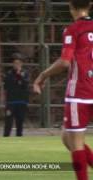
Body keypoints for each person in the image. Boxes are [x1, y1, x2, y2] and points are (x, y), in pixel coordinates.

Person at [33, 1, 93, 179]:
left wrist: (42, 76)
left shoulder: (73, 29)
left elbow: (65, 62)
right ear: (89, 5)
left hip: (80, 93)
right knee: (67, 137)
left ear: (70, 6)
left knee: (74, 143)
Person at [3, 53, 29, 137]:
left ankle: (19, 137)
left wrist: (20, 76)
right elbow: (6, 86)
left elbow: (25, 85)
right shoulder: (9, 73)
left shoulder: (25, 73)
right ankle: (6, 137)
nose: (16, 65)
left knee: (20, 122)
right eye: (15, 63)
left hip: (22, 101)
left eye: (18, 63)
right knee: (8, 121)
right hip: (11, 101)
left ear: (21, 64)